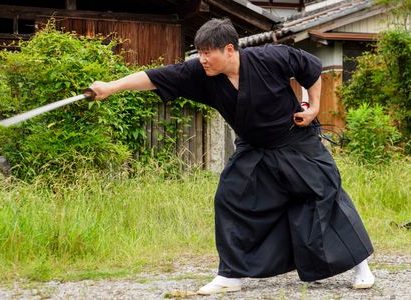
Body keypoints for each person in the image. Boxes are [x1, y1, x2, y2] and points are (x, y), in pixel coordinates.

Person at [89, 18, 375, 295]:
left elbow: (310, 68)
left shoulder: (270, 57)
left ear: (229, 49)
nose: (202, 59)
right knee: (230, 198)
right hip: (254, 148)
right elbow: (155, 76)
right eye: (199, 52)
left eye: (207, 52)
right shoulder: (200, 75)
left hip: (296, 141)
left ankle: (360, 265)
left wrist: (313, 109)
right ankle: (230, 275)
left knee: (323, 195)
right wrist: (111, 87)